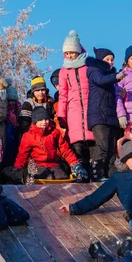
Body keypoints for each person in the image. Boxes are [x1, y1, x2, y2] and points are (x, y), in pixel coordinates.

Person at [13, 107, 87, 181]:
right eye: (41, 120)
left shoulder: (55, 133)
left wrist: (75, 163)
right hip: (38, 165)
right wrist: (17, 170)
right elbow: (22, 155)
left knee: (62, 177)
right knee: (45, 178)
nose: (44, 122)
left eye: (46, 119)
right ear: (35, 121)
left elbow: (65, 150)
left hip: (54, 164)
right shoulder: (28, 136)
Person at [85, 48, 126, 181]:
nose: (110, 62)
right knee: (102, 145)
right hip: (98, 115)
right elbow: (101, 80)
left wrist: (121, 92)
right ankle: (97, 174)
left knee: (112, 146)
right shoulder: (93, 70)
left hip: (110, 115)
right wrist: (116, 77)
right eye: (107, 59)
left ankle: (111, 174)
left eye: (112, 59)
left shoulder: (111, 76)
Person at [57, 30, 95, 175]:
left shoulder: (88, 67)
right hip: (73, 111)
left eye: (72, 52)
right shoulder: (63, 71)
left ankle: (94, 174)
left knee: (92, 143)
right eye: (67, 53)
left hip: (89, 108)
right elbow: (63, 95)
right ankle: (82, 173)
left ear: (78, 51)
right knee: (78, 144)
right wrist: (62, 116)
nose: (70, 55)